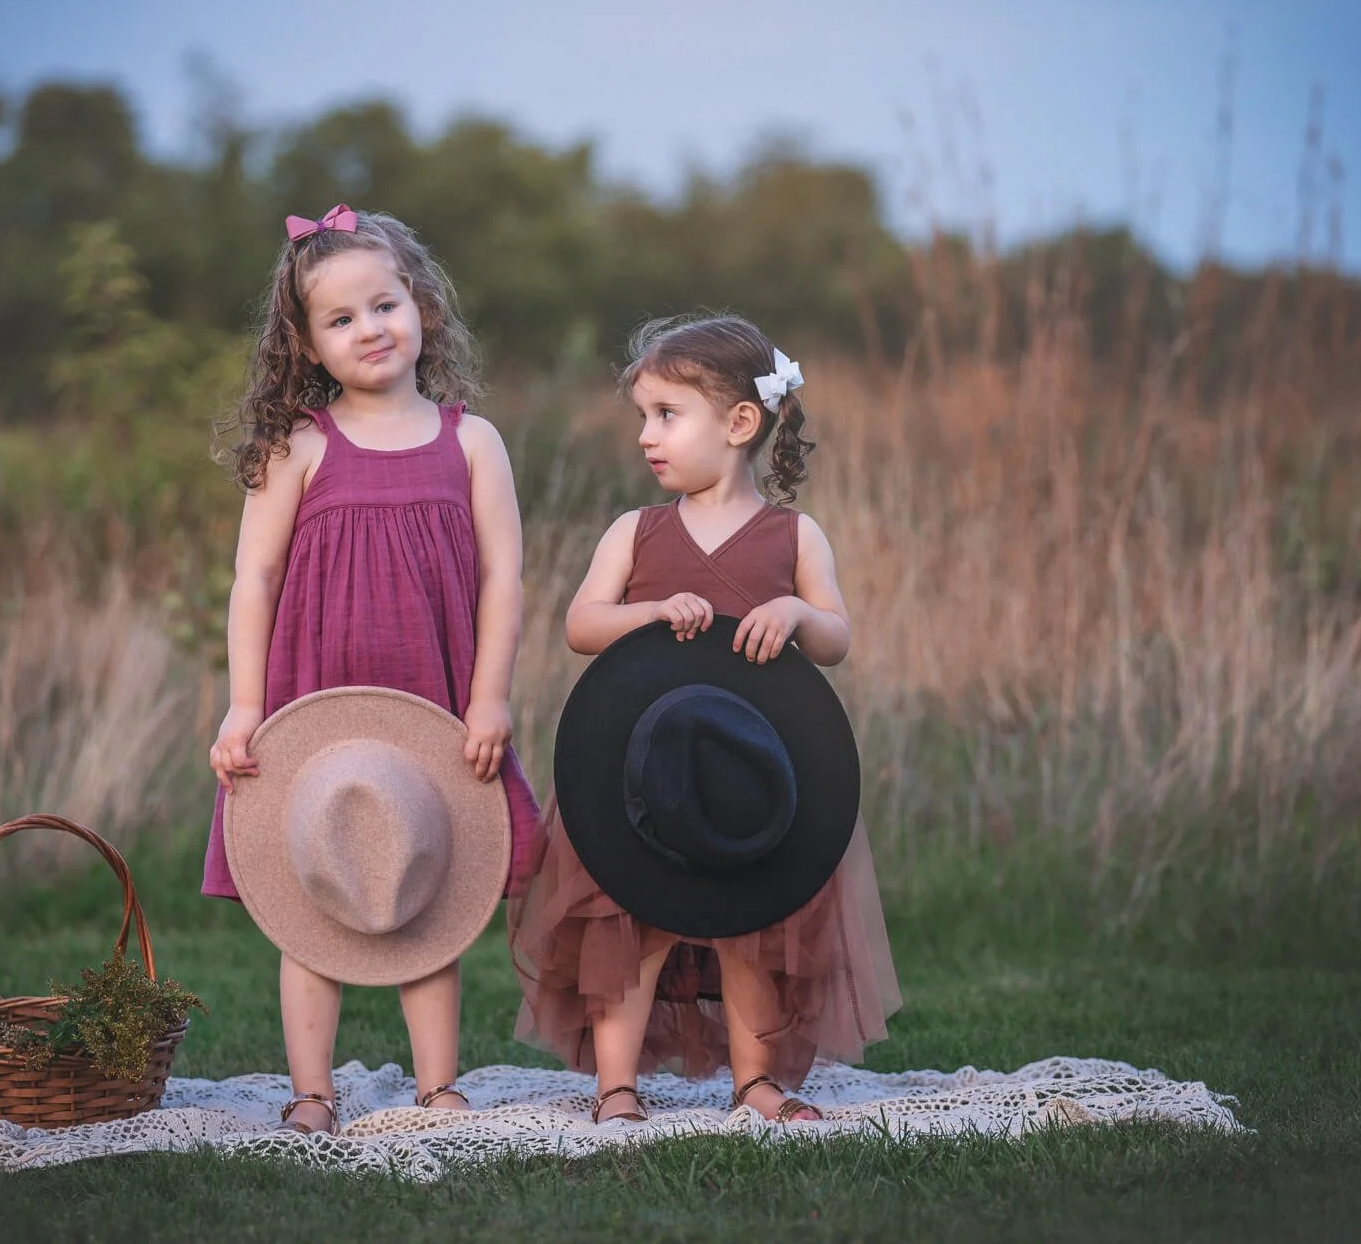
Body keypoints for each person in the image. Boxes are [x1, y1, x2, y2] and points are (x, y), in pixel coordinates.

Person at [509, 313, 900, 1124]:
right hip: (636, 774)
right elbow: (583, 624)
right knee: (633, 927)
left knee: (750, 924)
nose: (647, 436)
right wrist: (647, 612)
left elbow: (837, 637)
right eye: (643, 417)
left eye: (666, 414)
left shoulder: (793, 535)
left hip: (742, 781)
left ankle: (754, 1079)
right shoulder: (636, 531)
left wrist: (794, 607)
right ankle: (617, 1085)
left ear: (740, 423)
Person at [203, 204, 540, 1134]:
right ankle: (310, 1090)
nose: (370, 329)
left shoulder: (470, 441)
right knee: (312, 893)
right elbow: (254, 578)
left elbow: (504, 574)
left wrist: (490, 696)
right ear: (305, 346)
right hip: (314, 700)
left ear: (421, 304)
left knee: (423, 888)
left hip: (432, 701)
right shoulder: (300, 447)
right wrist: (242, 708)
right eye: (340, 319)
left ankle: (437, 1085)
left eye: (384, 304)